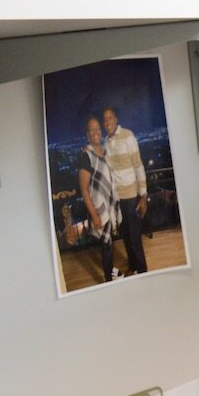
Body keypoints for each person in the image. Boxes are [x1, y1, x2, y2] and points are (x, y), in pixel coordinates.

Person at [71, 115, 120, 282]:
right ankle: (108, 279)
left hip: (109, 205)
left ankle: (110, 270)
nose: (96, 132)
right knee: (106, 245)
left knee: (109, 243)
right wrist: (94, 214)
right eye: (92, 130)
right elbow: (84, 189)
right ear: (87, 134)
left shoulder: (105, 152)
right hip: (99, 209)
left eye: (98, 129)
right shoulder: (86, 157)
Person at [102, 106, 148, 275]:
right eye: (105, 119)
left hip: (131, 196)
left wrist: (143, 195)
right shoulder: (106, 142)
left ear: (116, 119)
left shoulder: (128, 136)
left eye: (110, 118)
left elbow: (138, 164)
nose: (107, 121)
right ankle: (133, 267)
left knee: (135, 238)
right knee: (126, 237)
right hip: (117, 198)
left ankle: (143, 271)